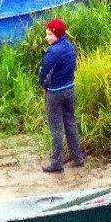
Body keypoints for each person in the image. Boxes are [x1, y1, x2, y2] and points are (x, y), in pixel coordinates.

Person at [39, 17, 84, 172]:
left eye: (49, 34)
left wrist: (43, 86)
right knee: (71, 124)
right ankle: (78, 159)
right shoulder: (69, 46)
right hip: (70, 90)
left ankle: (57, 163)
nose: (47, 37)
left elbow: (44, 73)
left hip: (55, 93)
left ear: (57, 34)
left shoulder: (52, 51)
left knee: (56, 129)